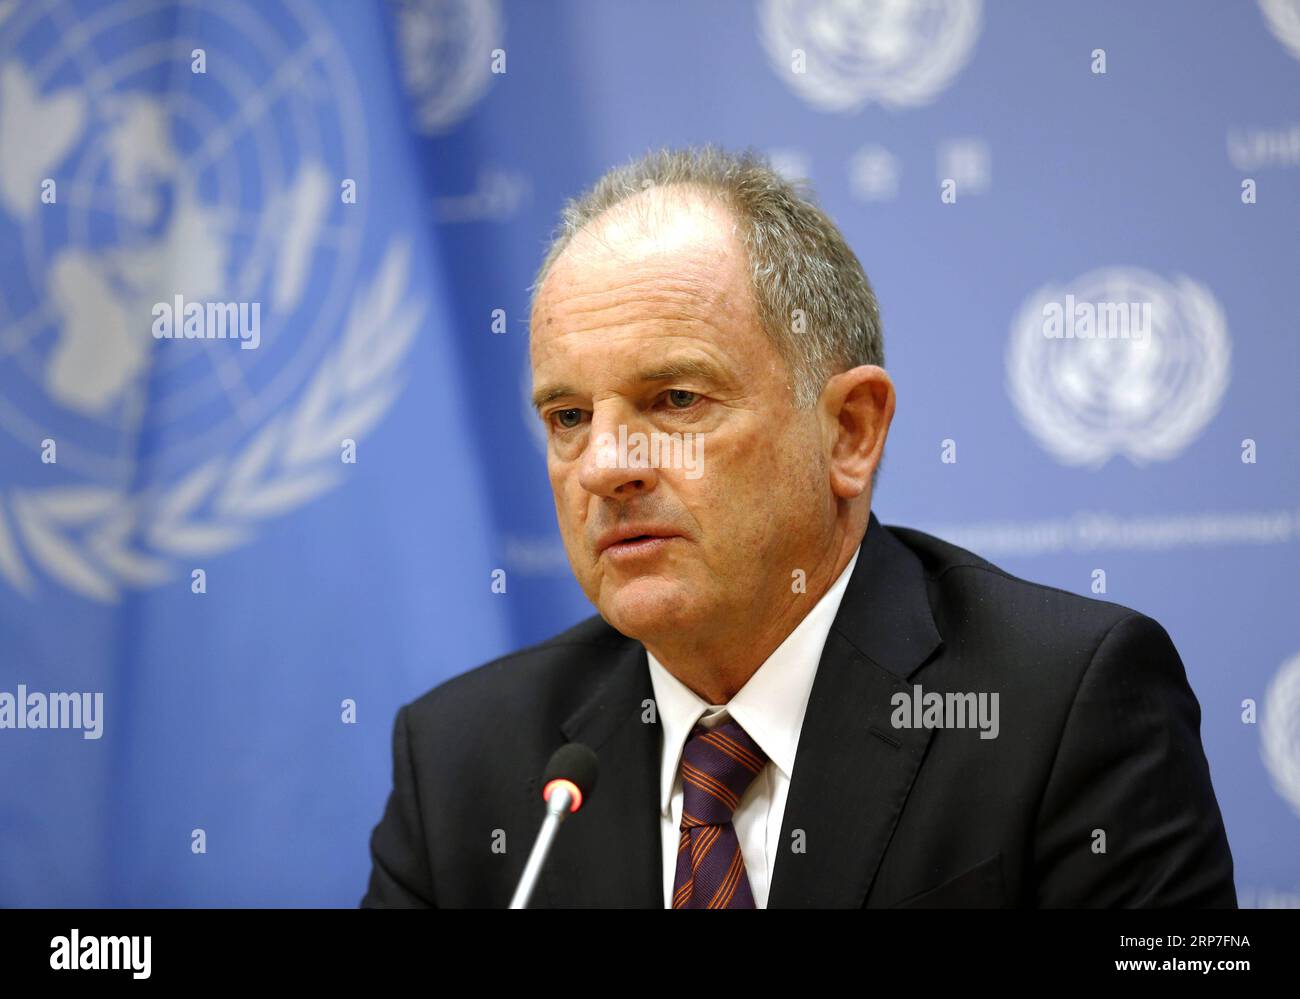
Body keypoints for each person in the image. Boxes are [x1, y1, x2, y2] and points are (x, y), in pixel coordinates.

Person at [361, 145, 1236, 908]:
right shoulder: (461, 765)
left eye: (675, 400)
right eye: (567, 417)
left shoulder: (1062, 708)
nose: (603, 466)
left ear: (849, 431)